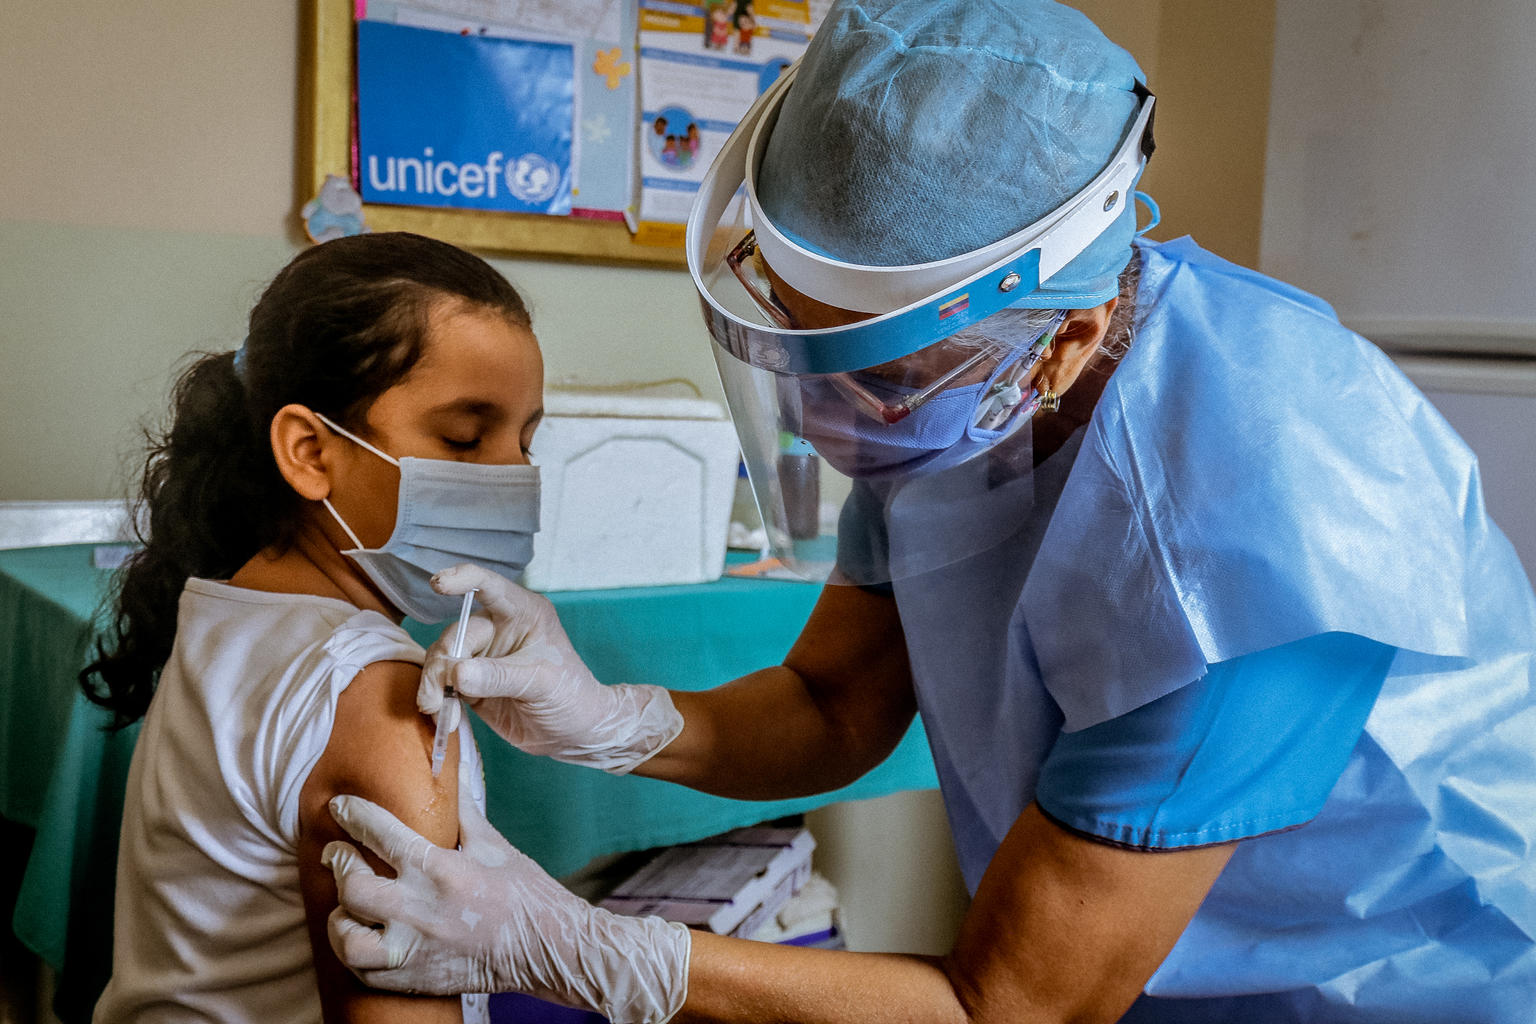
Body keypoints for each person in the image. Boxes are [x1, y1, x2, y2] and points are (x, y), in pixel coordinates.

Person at [320, 2, 1536, 1021]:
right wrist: (612, 717)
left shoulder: (1253, 531)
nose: (819, 419)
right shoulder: (963, 397)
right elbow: (833, 703)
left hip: (1390, 974)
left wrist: (587, 952)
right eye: (799, 350)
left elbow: (1010, 1005)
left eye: (877, 374)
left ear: (1060, 338)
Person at [80, 231, 549, 1023]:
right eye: (465, 439)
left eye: (529, 439)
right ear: (309, 451)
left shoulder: (231, 601)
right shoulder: (379, 698)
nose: (515, 477)